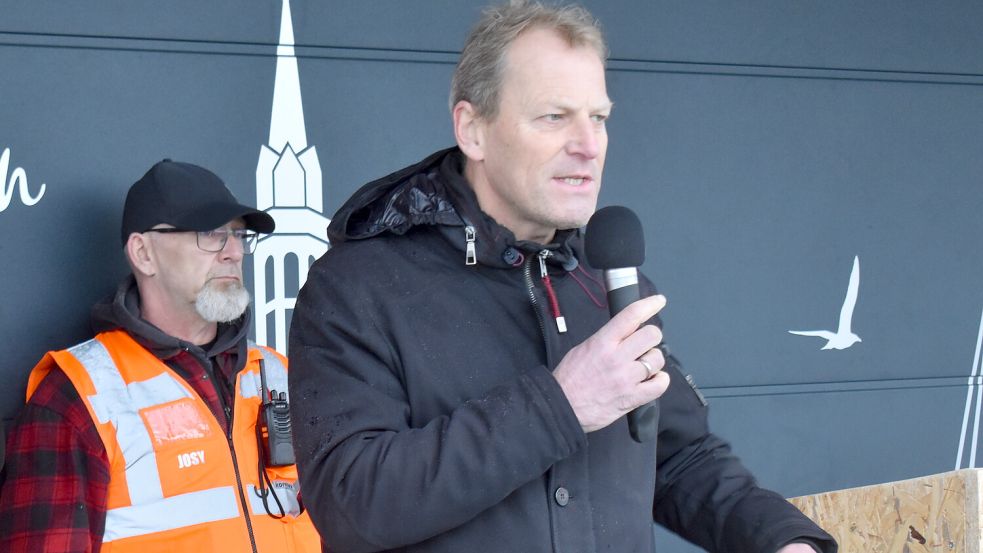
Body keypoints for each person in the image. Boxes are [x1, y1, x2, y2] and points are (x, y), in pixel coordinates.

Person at [288, 2, 837, 552]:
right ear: (473, 130)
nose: (589, 144)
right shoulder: (359, 287)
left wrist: (780, 538)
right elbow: (350, 502)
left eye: (597, 117)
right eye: (555, 117)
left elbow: (676, 458)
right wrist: (561, 404)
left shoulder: (609, 281)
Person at [0, 160, 322, 552]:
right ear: (143, 253)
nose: (234, 252)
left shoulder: (277, 374)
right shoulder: (79, 395)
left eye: (239, 236)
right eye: (210, 234)